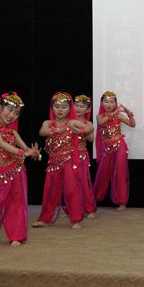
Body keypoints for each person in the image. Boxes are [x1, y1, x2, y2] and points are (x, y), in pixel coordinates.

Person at [32, 92, 87, 230]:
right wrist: (56, 131)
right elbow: (42, 132)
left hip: (68, 161)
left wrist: (79, 130)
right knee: (50, 191)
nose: (60, 110)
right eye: (56, 106)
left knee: (71, 189)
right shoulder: (48, 123)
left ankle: (76, 219)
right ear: (52, 108)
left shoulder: (73, 122)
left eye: (64, 107)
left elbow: (89, 128)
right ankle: (45, 219)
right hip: (53, 162)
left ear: (70, 108)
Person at [0, 92, 40, 245]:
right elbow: (0, 143)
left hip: (15, 170)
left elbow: (26, 149)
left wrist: (34, 153)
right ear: (0, 108)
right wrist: (22, 152)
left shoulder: (13, 132)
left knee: (16, 203)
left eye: (16, 113)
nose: (12, 115)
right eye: (9, 110)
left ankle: (16, 236)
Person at [93, 91, 136, 210]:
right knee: (102, 173)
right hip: (107, 149)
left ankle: (122, 202)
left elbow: (132, 125)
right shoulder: (100, 116)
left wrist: (130, 115)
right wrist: (115, 112)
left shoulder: (118, 116)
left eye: (112, 102)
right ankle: (94, 198)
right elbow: (101, 122)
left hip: (120, 145)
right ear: (101, 103)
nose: (109, 104)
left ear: (115, 103)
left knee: (120, 172)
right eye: (106, 101)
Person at [71, 95, 96, 219]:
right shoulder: (68, 121)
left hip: (81, 155)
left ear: (87, 110)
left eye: (82, 106)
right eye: (76, 105)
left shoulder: (88, 124)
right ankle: (71, 208)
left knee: (84, 183)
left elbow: (91, 140)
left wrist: (86, 130)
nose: (78, 108)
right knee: (70, 183)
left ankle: (90, 209)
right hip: (69, 155)